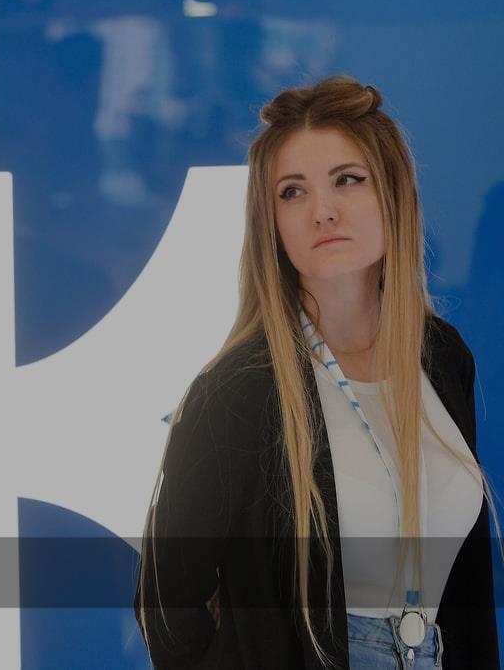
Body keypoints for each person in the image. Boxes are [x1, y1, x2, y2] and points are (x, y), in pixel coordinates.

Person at [134, 76, 497, 668]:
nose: (322, 211)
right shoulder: (238, 390)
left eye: (347, 179)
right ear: (270, 221)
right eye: (292, 192)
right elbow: (167, 604)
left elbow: (467, 593)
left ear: (393, 193)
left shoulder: (442, 356)